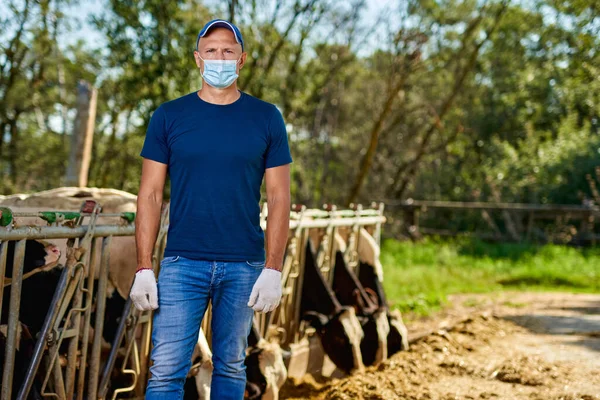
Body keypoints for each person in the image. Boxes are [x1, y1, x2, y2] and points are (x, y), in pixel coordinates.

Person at [130, 18, 292, 399]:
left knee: (231, 364)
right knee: (166, 369)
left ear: (242, 59)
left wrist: (273, 266)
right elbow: (150, 194)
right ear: (198, 59)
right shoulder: (168, 116)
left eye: (228, 51)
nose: (220, 57)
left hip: (245, 265)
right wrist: (143, 265)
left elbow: (279, 196)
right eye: (212, 50)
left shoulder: (267, 117)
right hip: (182, 262)